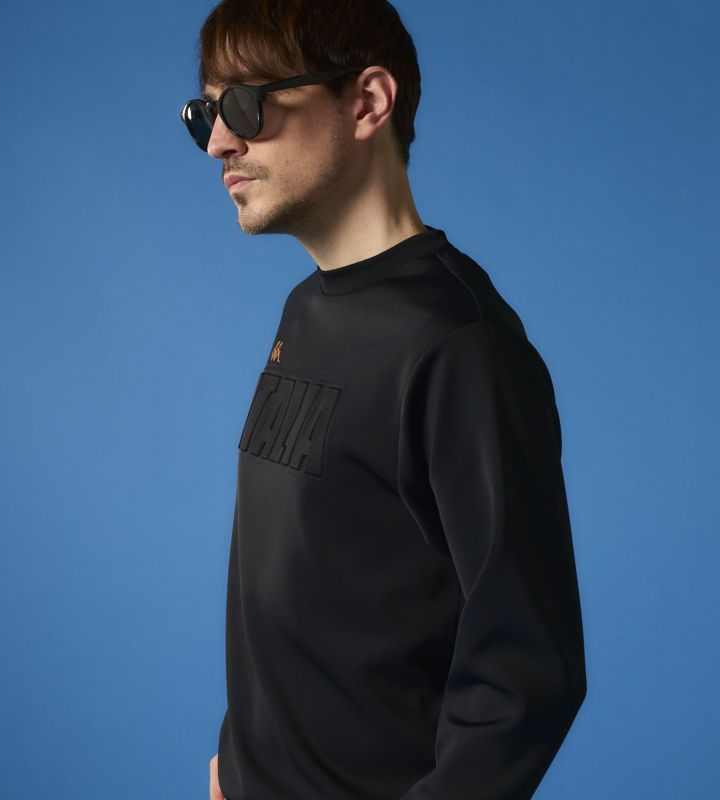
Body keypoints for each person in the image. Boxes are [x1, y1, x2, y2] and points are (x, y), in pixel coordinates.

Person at [181, 2, 587, 798]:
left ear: (367, 101)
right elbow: (300, 584)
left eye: (247, 105)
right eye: (205, 113)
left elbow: (527, 673)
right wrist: (239, 759)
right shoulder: (305, 310)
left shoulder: (458, 345)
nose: (221, 141)